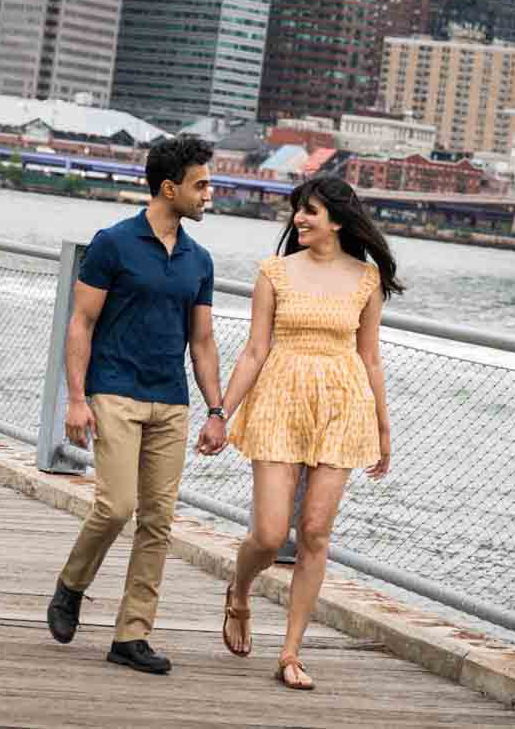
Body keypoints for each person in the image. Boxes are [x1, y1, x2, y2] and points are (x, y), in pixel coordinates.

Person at [205, 174, 398, 691]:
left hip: (341, 405)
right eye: (297, 210)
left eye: (309, 211)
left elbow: (370, 357)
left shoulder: (367, 279)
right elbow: (254, 350)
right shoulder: (274, 272)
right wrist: (220, 413)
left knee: (314, 532)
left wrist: (382, 428)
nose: (299, 219)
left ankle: (290, 652)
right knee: (270, 535)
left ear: (336, 219)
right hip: (278, 402)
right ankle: (239, 591)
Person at [45, 134, 228, 675]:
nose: (209, 194)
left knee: (158, 520)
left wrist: (217, 411)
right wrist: (76, 399)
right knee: (117, 506)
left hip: (170, 400)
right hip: (115, 391)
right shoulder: (114, 243)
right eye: (201, 185)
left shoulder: (200, 259)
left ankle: (132, 634)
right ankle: (72, 585)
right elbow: (82, 322)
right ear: (168, 188)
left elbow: (203, 341)